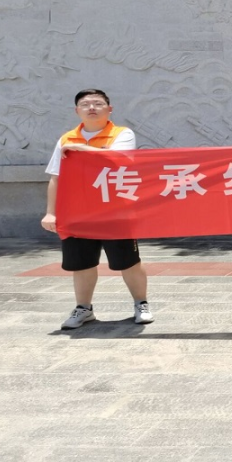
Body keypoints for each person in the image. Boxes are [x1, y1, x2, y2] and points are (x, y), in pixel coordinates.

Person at [41, 89, 152, 329]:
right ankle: (84, 308)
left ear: (109, 109)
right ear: (77, 110)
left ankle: (141, 303)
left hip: (116, 212)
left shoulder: (122, 133)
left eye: (98, 103)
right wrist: (51, 212)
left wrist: (80, 150)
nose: (91, 107)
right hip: (77, 213)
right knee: (81, 263)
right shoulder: (66, 139)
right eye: (85, 104)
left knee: (128, 261)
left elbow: (116, 157)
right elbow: (56, 177)